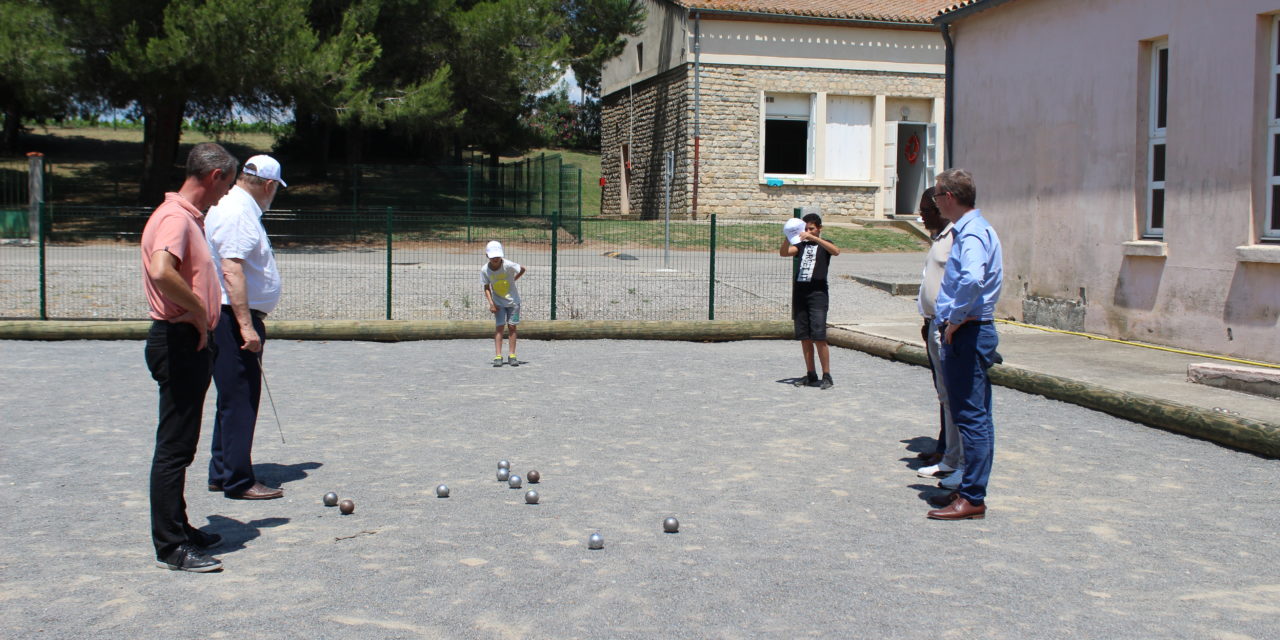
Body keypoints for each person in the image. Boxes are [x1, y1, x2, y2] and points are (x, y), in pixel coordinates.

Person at [141, 142, 237, 572]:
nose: (225, 195)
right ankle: (171, 545)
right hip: (178, 340)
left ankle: (180, 525)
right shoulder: (176, 218)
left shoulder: (185, 217)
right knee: (174, 448)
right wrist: (198, 310)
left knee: (182, 444)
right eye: (228, 185)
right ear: (215, 176)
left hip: (189, 340)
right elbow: (162, 271)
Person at [204, 155, 286, 500]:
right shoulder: (239, 212)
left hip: (233, 315)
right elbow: (231, 270)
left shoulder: (238, 208)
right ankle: (237, 479)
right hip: (234, 316)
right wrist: (246, 326)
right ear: (269, 186)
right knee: (240, 400)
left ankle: (222, 472)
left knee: (233, 398)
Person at [926, 169, 1003, 521]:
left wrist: (955, 319)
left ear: (950, 197)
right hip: (971, 329)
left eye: (938, 195)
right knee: (974, 416)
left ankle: (972, 495)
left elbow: (973, 277)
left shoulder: (971, 233)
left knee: (971, 418)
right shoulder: (975, 229)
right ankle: (970, 489)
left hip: (969, 331)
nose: (936, 201)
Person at [914, 187, 964, 491]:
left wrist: (950, 323)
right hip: (934, 323)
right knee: (945, 395)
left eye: (927, 210)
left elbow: (966, 283)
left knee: (956, 397)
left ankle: (959, 462)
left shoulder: (957, 236)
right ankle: (949, 455)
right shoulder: (940, 239)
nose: (922, 216)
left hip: (948, 326)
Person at [780, 213, 840, 389]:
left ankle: (827, 375)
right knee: (804, 337)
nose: (807, 232)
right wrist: (788, 236)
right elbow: (784, 253)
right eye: (805, 229)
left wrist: (814, 238)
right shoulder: (801, 245)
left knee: (819, 336)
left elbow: (836, 251)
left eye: (811, 228)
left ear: (819, 228)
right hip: (800, 293)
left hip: (818, 294)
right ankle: (811, 374)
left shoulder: (823, 244)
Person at [481, 240, 526, 366]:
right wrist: (491, 303)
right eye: (492, 257)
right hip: (498, 303)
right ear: (487, 256)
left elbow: (522, 269)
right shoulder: (485, 270)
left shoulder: (508, 265)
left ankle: (512, 355)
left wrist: (514, 279)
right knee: (499, 327)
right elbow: (486, 287)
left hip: (513, 302)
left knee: (512, 327)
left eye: (497, 256)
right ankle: (498, 355)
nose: (495, 259)